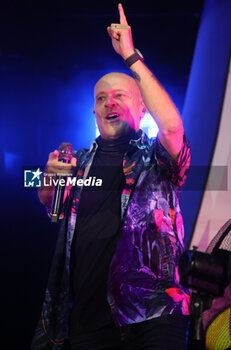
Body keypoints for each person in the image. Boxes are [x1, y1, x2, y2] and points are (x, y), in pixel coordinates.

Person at [31, 3, 191, 350]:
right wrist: (47, 177)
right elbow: (47, 201)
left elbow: (173, 126)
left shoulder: (156, 159)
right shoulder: (79, 163)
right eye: (101, 98)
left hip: (154, 313)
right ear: (93, 111)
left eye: (120, 95)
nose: (110, 102)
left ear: (142, 107)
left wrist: (131, 56)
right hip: (87, 319)